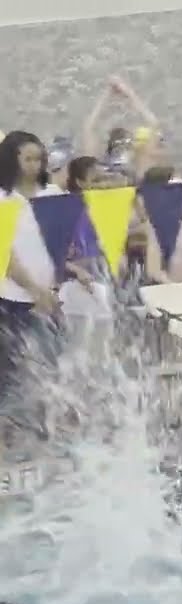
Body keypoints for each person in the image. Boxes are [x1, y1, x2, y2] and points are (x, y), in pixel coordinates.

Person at [0, 131, 64, 443]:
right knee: (10, 371)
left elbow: (63, 244)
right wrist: (34, 290)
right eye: (28, 159)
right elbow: (6, 257)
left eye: (39, 159)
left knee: (52, 365)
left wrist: (55, 287)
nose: (34, 165)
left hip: (51, 296)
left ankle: (46, 430)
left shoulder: (53, 193)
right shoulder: (3, 199)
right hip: (12, 297)